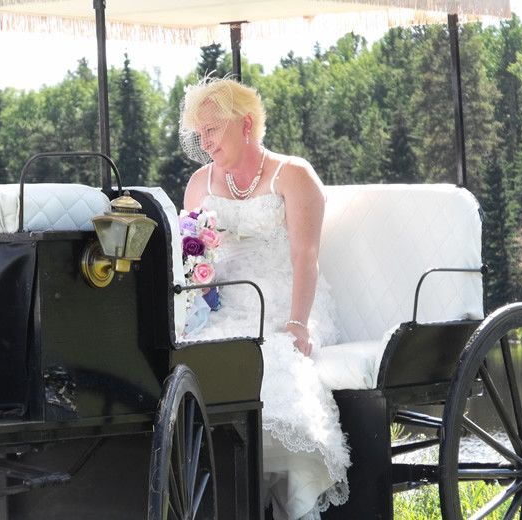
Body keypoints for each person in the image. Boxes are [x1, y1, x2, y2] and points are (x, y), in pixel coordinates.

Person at [180, 77, 349, 520]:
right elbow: (192, 261)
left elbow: (305, 256)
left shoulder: (293, 175)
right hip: (227, 307)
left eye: (212, 130)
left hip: (286, 302)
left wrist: (297, 323)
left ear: (246, 124)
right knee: (194, 365)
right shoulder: (199, 184)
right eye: (200, 134)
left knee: (271, 364)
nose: (205, 142)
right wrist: (198, 290)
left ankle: (285, 495)